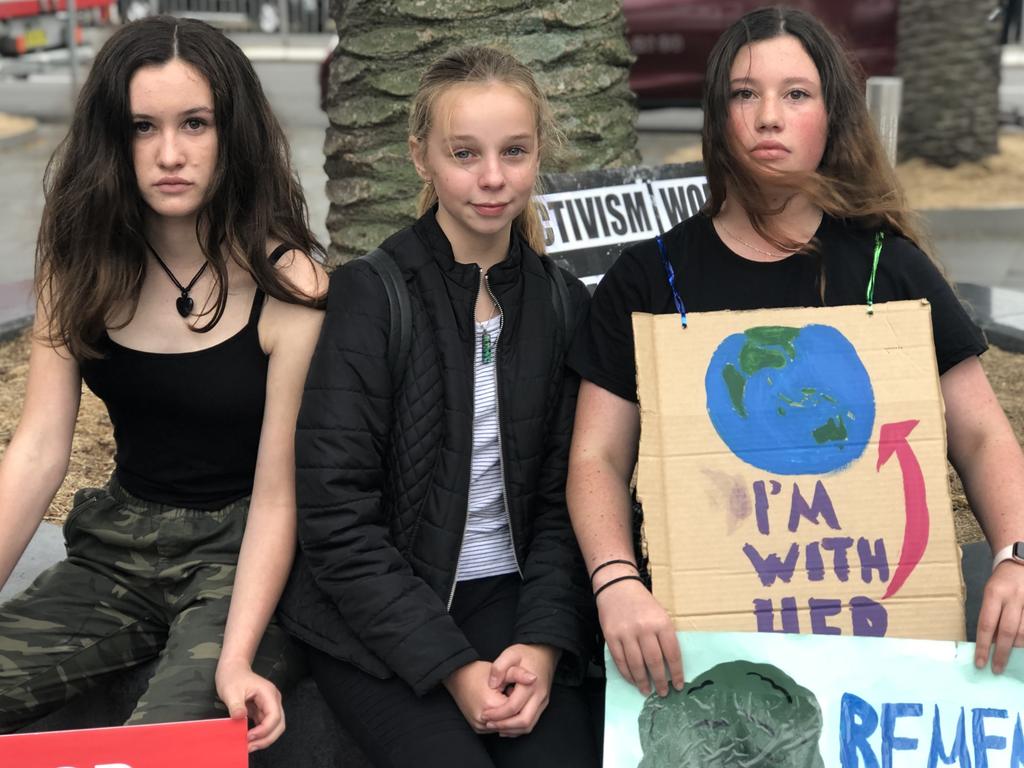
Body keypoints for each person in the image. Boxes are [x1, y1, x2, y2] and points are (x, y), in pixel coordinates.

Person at [567, 5, 1024, 699]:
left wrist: (1017, 558)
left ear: (832, 116)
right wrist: (616, 581)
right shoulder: (648, 280)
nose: (768, 116)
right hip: (696, 653)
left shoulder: (889, 272)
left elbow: (985, 433)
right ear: (718, 116)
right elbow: (596, 456)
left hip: (878, 667)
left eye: (796, 94)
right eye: (744, 94)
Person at [0, 16, 326, 751]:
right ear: (112, 139)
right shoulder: (81, 268)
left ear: (231, 133)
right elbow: (40, 446)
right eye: (143, 127)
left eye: (195, 124)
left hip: (244, 565)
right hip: (118, 551)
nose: (169, 154)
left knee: (163, 747)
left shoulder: (291, 287)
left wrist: (238, 656)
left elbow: (282, 493)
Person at [277, 46, 598, 768]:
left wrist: (544, 645)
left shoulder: (561, 302)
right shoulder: (374, 295)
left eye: (514, 152)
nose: (492, 177)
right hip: (375, 620)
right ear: (420, 156)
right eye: (464, 153)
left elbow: (563, 503)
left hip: (513, 603)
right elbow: (335, 519)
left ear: (538, 152)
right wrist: (453, 669)